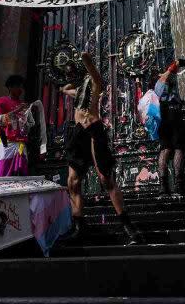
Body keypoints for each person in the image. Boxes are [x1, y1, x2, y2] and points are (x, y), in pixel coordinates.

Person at [60, 52, 141, 245]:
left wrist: (85, 60)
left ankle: (129, 228)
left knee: (106, 180)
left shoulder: (96, 85)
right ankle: (79, 228)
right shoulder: (78, 91)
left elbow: (94, 74)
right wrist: (72, 77)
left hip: (93, 131)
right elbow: (65, 89)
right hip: (78, 134)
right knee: (73, 182)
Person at [154, 59, 185, 196]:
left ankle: (163, 186)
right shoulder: (161, 81)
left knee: (165, 150)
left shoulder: (160, 86)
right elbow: (174, 65)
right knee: (178, 148)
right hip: (172, 115)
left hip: (163, 117)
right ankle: (179, 184)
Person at [0, 75, 31, 177]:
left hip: (21, 143)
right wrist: (16, 111)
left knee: (21, 174)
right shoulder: (2, 101)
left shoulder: (22, 104)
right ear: (10, 87)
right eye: (17, 86)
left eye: (21, 87)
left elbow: (26, 126)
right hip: (7, 142)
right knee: (3, 171)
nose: (20, 89)